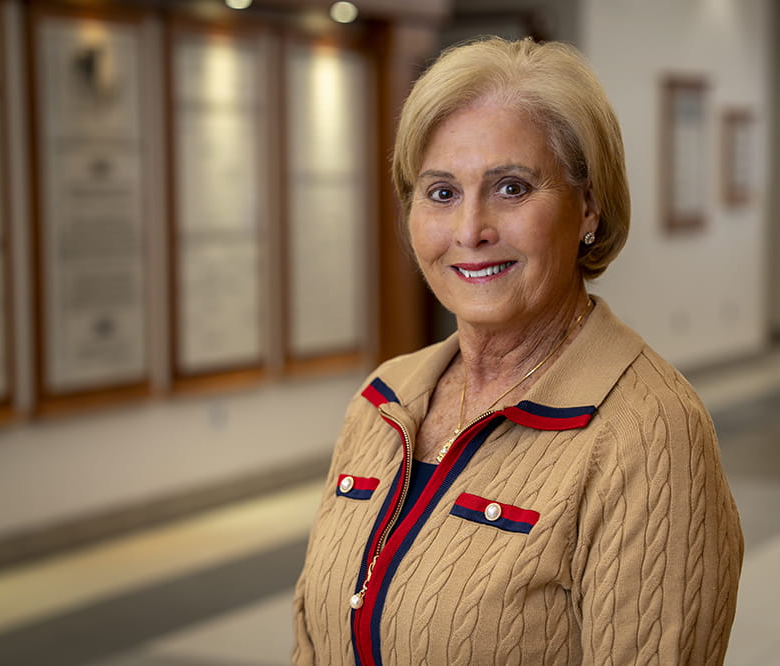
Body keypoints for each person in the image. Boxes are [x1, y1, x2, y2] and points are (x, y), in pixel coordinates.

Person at [292, 36, 743, 665]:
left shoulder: (649, 434)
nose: (471, 230)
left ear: (588, 205)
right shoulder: (384, 400)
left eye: (510, 188)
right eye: (442, 193)